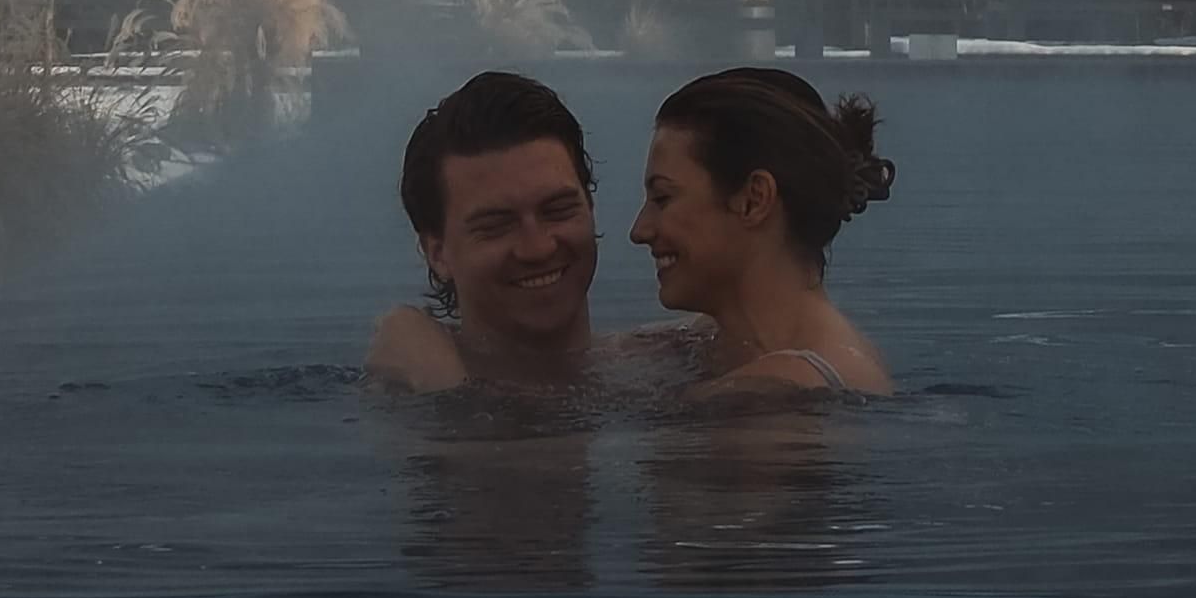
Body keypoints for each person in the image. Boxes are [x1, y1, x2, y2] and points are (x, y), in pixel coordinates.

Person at [630, 63, 897, 396]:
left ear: (754, 200)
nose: (639, 230)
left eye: (662, 198)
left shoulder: (784, 391)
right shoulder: (700, 344)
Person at [368, 67, 616, 388]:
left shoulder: (676, 355)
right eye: (497, 226)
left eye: (558, 210)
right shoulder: (405, 390)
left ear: (590, 206)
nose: (538, 247)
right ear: (438, 254)